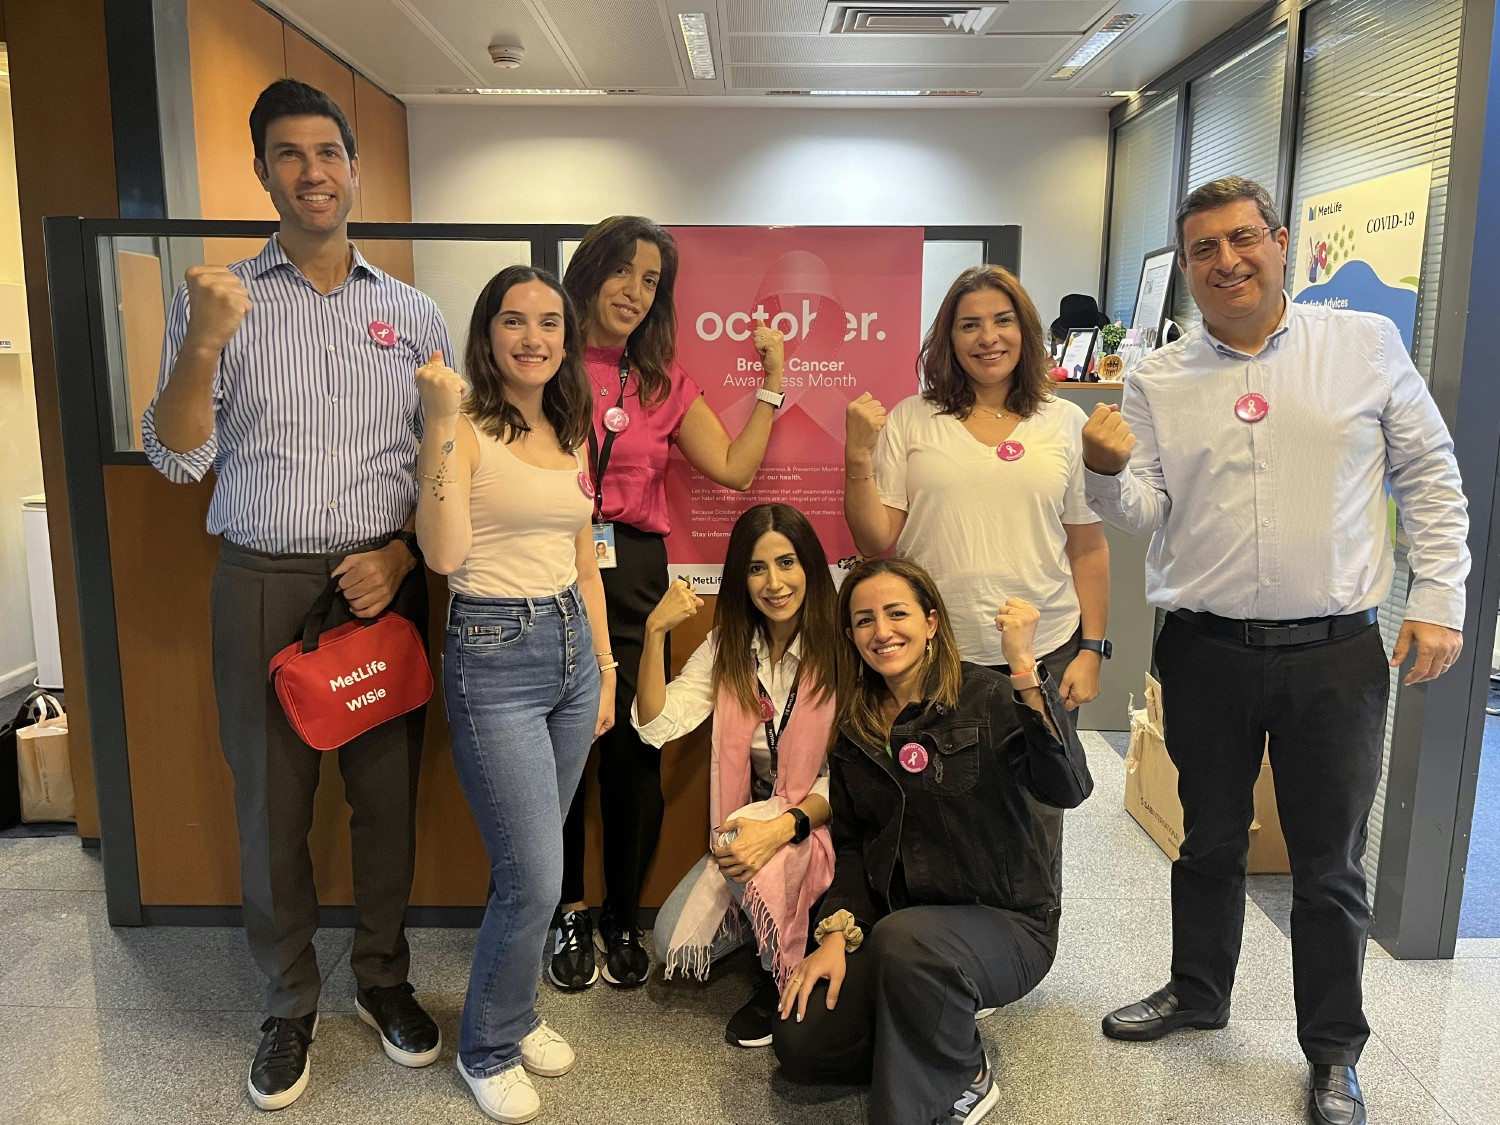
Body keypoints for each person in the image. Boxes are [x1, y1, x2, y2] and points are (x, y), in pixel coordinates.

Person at [1083, 175, 1470, 1125]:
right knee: (1206, 836)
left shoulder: (1363, 346)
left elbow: (1429, 472)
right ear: (1191, 268)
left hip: (1334, 655)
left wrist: (1440, 596)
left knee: (1327, 861)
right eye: (1206, 248)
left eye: (1242, 239)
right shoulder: (1161, 376)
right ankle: (1199, 990)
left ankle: (1335, 1048)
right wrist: (1101, 474)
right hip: (1205, 650)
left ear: (1281, 241)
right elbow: (1145, 512)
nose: (1226, 261)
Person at [140, 79, 446, 1110]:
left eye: (328, 152)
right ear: (263, 171)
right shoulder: (220, 298)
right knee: (271, 808)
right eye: (289, 155)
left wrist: (404, 556)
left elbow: (441, 467)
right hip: (262, 584)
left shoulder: (411, 314)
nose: (312, 172)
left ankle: (383, 981)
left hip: (378, 587)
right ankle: (286, 1002)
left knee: (386, 804)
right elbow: (177, 458)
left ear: (355, 167)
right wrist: (200, 340)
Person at [770, 557, 1092, 1125]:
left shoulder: (988, 696)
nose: (882, 631)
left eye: (898, 613)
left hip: (1008, 923)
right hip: (905, 931)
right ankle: (932, 1017)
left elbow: (1068, 786)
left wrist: (1024, 667)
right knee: (803, 1043)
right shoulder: (855, 724)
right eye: (864, 620)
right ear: (851, 636)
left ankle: (961, 1076)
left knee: (907, 940)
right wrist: (837, 933)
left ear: (932, 622)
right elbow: (850, 844)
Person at [552, 216, 786, 991]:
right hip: (550, 561)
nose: (635, 291)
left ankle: (621, 912)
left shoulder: (659, 380)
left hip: (633, 577)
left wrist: (772, 381)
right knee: (557, 759)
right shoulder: (543, 357)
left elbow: (733, 468)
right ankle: (567, 909)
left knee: (631, 756)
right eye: (623, 271)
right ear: (590, 271)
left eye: (651, 281)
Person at [413, 265, 613, 1123]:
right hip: (492, 648)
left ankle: (515, 1011)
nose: (533, 337)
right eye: (512, 321)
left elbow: (582, 551)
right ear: (486, 332)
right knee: (533, 874)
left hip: (569, 644)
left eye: (548, 323)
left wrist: (600, 662)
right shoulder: (463, 426)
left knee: (538, 865)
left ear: (566, 340)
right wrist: (437, 423)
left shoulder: (569, 427)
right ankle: (486, 1046)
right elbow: (446, 555)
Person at [843, 265, 1111, 725]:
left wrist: (1092, 649)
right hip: (935, 652)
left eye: (1003, 320)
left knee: (1038, 794)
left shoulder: (1064, 420)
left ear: (1024, 331)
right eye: (970, 325)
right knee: (939, 794)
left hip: (1045, 650)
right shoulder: (912, 419)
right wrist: (856, 458)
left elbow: (1086, 546)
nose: (989, 337)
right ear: (950, 338)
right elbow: (874, 540)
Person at [635, 503, 838, 1049]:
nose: (774, 583)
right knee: (665, 939)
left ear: (810, 568)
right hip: (747, 825)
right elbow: (656, 724)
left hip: (819, 824)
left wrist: (780, 829)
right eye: (756, 568)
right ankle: (768, 914)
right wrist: (655, 632)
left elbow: (845, 779)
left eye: (787, 563)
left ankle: (776, 973)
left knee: (779, 859)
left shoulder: (840, 649)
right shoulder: (727, 647)